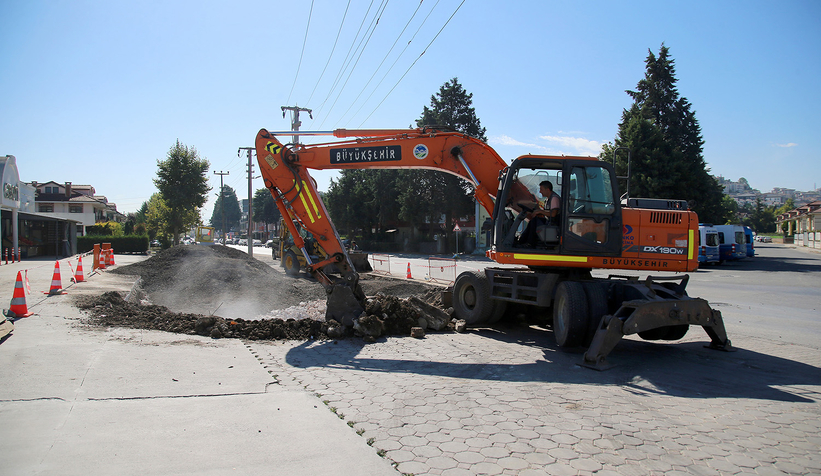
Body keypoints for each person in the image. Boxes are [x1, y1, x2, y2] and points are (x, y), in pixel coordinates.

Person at [518, 180, 561, 247]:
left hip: (553, 224)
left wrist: (540, 211)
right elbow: (547, 212)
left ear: (548, 189)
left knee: (534, 221)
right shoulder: (548, 199)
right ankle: (522, 241)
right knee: (533, 220)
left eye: (541, 189)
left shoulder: (554, 198)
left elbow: (553, 214)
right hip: (549, 222)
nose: (540, 191)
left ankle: (529, 243)